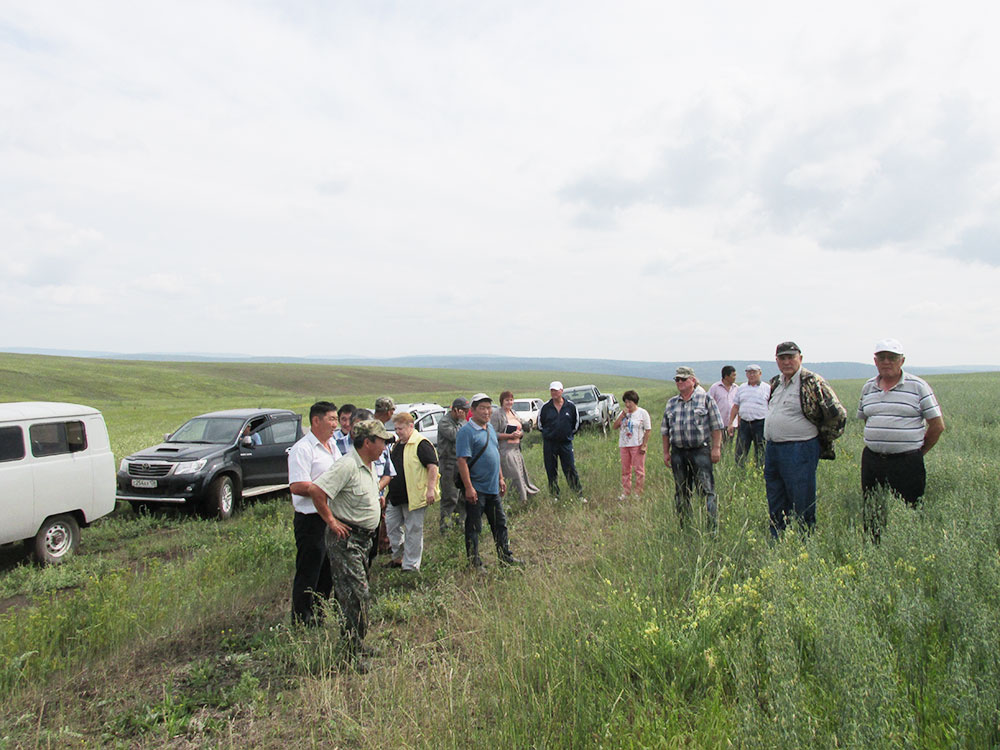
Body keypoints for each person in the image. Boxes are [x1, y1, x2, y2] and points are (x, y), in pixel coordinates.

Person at [306, 419, 394, 671]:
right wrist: (332, 522)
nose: (384, 446)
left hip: (363, 540)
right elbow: (317, 491)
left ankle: (356, 643)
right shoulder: (347, 465)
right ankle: (348, 655)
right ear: (367, 442)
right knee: (355, 596)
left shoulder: (368, 465)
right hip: (347, 541)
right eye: (381, 441)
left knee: (358, 595)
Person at [857, 338, 944, 540]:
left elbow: (937, 426)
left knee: (911, 508)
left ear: (902, 361)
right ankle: (873, 548)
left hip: (907, 461)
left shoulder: (918, 386)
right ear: (875, 361)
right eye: (882, 357)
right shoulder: (868, 387)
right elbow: (868, 419)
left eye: (892, 358)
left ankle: (909, 547)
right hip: (872, 459)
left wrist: (917, 452)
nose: (887, 362)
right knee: (872, 509)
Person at [764, 341, 847, 538]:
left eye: (791, 357)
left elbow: (838, 415)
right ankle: (778, 539)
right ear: (776, 361)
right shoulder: (776, 382)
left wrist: (820, 441)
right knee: (775, 497)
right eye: (782, 358)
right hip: (773, 449)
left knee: (801, 498)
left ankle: (804, 540)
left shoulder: (812, 382)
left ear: (800, 358)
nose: (786, 362)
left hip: (799, 449)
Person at [287, 401, 342, 626]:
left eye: (336, 419)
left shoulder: (333, 446)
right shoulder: (303, 449)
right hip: (310, 519)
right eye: (331, 419)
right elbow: (297, 485)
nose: (335, 424)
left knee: (327, 570)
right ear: (316, 421)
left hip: (331, 515)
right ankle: (301, 618)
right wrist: (322, 489)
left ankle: (319, 612)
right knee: (309, 569)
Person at [456, 393, 522, 571]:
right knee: (474, 527)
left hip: (493, 488)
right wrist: (469, 488)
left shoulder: (490, 429)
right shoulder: (466, 432)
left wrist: (500, 478)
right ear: (473, 410)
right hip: (476, 489)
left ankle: (505, 556)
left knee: (500, 524)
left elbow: (494, 453)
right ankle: (474, 563)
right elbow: (462, 461)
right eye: (482, 408)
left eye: (489, 408)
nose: (487, 412)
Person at [661, 367, 724, 531]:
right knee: (681, 492)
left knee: (707, 491)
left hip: (700, 451)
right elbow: (665, 430)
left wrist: (716, 448)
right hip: (678, 453)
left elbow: (717, 426)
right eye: (677, 380)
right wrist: (666, 452)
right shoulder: (672, 403)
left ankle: (712, 529)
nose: (680, 382)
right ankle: (685, 528)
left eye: (683, 379)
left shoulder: (706, 399)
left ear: (693, 380)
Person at [384, 411, 439, 571]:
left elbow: (433, 467)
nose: (398, 432)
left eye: (401, 428)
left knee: (413, 530)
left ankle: (411, 566)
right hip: (396, 496)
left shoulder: (421, 443)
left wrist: (430, 490)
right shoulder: (396, 445)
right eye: (396, 429)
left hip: (415, 496)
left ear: (410, 426)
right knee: (391, 526)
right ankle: (399, 557)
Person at [490, 391, 540, 503]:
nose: (509, 402)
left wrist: (520, 434)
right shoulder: (497, 414)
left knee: (522, 475)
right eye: (507, 400)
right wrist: (509, 435)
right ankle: (513, 500)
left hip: (516, 449)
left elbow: (521, 429)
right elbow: (493, 433)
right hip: (505, 450)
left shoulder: (514, 413)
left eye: (511, 400)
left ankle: (524, 499)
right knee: (514, 475)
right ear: (502, 401)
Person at [537, 380, 583, 499]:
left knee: (570, 468)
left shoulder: (571, 406)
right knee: (551, 470)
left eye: (556, 390)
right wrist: (549, 434)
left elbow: (576, 424)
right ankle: (554, 495)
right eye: (552, 390)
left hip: (565, 442)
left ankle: (578, 494)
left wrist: (566, 434)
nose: (554, 393)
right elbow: (540, 425)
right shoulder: (545, 407)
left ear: (561, 391)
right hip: (550, 443)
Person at [370, 397, 397, 561]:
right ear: (388, 412)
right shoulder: (375, 429)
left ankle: (382, 546)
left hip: (378, 486)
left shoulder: (377, 425)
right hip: (371, 489)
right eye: (392, 411)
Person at [437, 397, 469, 533]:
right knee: (449, 496)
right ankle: (445, 528)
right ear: (456, 410)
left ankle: (459, 524)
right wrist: (463, 421)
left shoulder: (461, 422)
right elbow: (457, 435)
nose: (465, 414)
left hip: (460, 461)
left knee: (462, 496)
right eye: (464, 411)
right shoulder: (444, 422)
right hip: (448, 462)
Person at [613, 389, 652, 497]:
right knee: (625, 470)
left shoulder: (642, 413)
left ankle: (638, 492)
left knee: (638, 470)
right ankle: (626, 492)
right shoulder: (623, 413)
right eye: (625, 402)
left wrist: (644, 445)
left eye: (630, 402)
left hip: (637, 444)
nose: (627, 404)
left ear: (635, 402)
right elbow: (615, 426)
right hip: (624, 445)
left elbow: (648, 430)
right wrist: (622, 416)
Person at [729, 365, 770, 467]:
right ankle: (739, 474)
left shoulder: (767, 388)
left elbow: (772, 407)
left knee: (761, 452)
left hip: (761, 423)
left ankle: (759, 474)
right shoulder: (742, 387)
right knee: (740, 452)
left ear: (760, 373)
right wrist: (730, 423)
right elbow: (735, 406)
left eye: (754, 372)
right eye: (749, 372)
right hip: (744, 424)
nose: (751, 375)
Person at [708, 366, 739, 444]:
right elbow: (708, 403)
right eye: (733, 375)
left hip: (731, 424)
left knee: (728, 446)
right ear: (726, 376)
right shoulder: (715, 388)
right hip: (718, 424)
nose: (735, 377)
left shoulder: (737, 388)